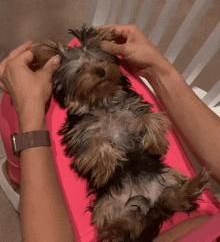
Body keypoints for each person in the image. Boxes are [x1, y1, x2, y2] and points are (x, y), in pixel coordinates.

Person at [0, 25, 219, 242]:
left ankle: (155, 210)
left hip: (152, 181)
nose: (100, 70)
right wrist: (158, 68)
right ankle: (141, 216)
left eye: (101, 63)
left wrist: (29, 109)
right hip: (182, 215)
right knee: (114, 204)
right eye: (80, 71)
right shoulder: (86, 120)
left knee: (160, 184)